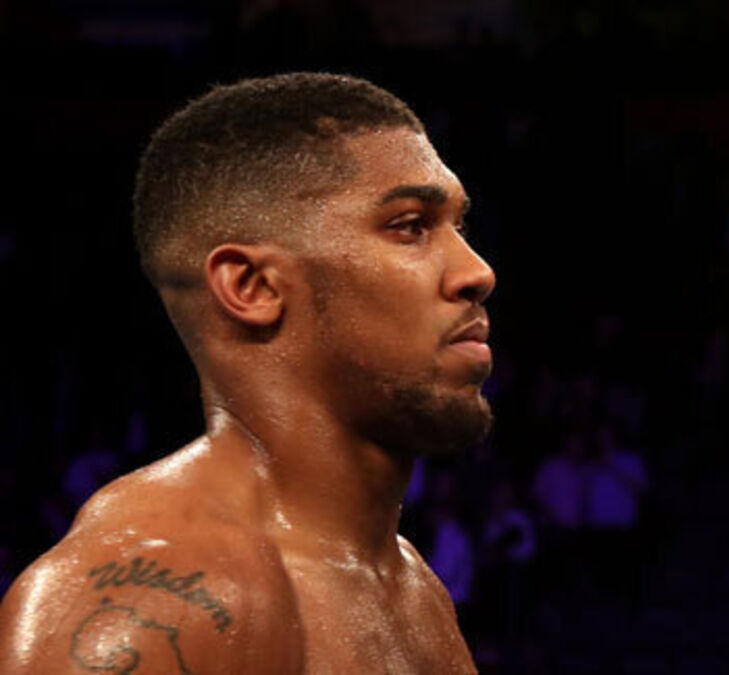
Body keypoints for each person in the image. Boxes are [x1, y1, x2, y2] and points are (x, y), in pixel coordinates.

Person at [0, 72, 493, 673]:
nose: (477, 272)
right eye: (410, 226)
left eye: (458, 226)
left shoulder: (411, 587)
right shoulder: (157, 601)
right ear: (252, 286)